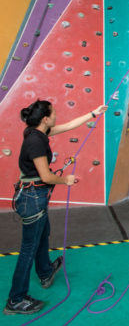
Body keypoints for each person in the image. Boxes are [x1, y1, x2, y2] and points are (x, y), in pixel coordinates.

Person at [3, 100, 107, 315]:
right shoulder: (36, 142)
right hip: (32, 197)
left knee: (42, 236)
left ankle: (45, 272)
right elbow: (46, 176)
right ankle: (16, 299)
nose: (56, 116)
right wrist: (66, 180)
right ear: (45, 118)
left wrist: (93, 113)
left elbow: (69, 126)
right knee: (28, 248)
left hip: (34, 196)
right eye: (54, 113)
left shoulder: (37, 131)